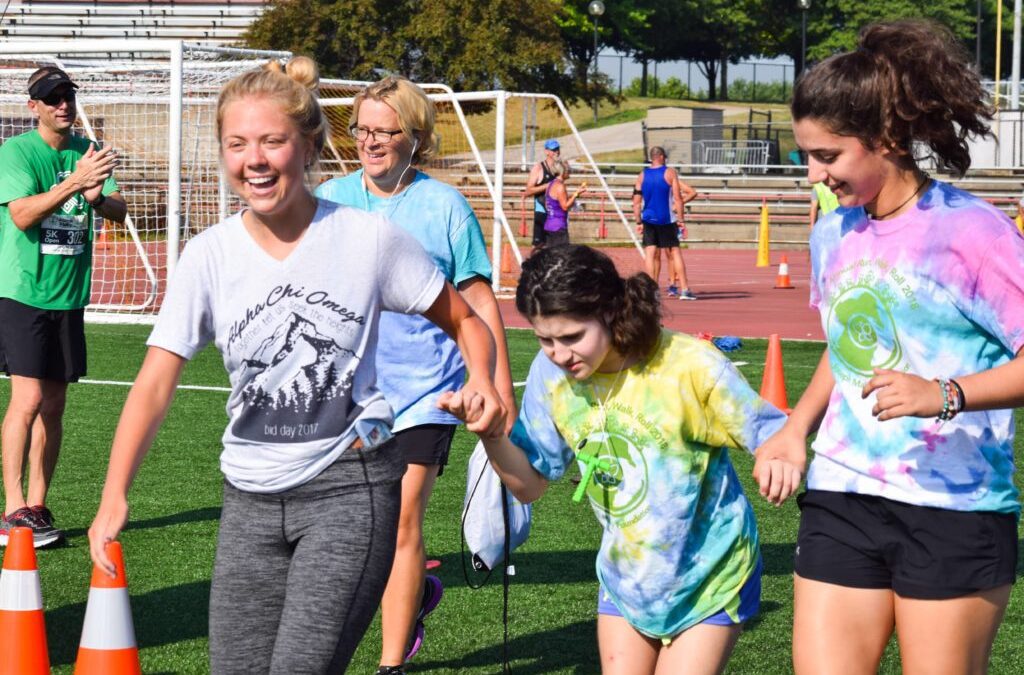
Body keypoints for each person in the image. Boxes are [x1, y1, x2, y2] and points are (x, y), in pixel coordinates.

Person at [87, 57, 505, 674]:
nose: (253, 159)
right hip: (248, 497)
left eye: (272, 141)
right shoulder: (208, 255)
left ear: (308, 147)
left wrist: (481, 382)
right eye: (237, 143)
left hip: (351, 487)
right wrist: (114, 493)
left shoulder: (368, 239)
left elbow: (467, 317)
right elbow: (154, 381)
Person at [756, 19, 1024, 675]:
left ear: (884, 139)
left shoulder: (973, 233)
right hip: (842, 493)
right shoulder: (833, 233)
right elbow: (844, 347)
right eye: (805, 156)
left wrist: (945, 394)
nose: (813, 175)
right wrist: (796, 428)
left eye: (828, 156)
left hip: (953, 509)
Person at [439, 244, 798, 675]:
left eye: (572, 337)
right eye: (545, 339)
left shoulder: (688, 365)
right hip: (626, 579)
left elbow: (778, 436)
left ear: (612, 312)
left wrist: (778, 457)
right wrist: (492, 436)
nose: (558, 354)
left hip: (710, 574)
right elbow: (530, 485)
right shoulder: (551, 375)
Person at [314, 75, 516, 674]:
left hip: (429, 390)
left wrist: (497, 385)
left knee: (401, 518)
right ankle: (416, 594)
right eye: (362, 129)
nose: (370, 142)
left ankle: (390, 664)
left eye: (385, 131)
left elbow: (479, 302)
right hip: (351, 398)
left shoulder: (445, 206)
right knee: (359, 524)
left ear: (415, 136)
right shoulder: (330, 199)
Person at [0, 66, 127, 548]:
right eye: (51, 98)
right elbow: (22, 213)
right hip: (22, 292)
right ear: (33, 106)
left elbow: (119, 208)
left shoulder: (86, 152)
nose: (63, 105)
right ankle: (12, 510)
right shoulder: (16, 152)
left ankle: (36, 506)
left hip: (69, 296)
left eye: (67, 95)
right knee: (28, 399)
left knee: (54, 404)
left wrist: (97, 198)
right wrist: (75, 184)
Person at [632, 146, 697, 300]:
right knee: (675, 252)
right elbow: (678, 198)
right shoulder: (669, 173)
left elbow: (636, 202)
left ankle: (651, 290)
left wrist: (638, 221)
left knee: (650, 253)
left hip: (648, 218)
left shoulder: (642, 175)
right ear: (661, 156)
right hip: (666, 219)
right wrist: (681, 220)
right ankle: (685, 290)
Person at [523, 139, 560, 247]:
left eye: (557, 149)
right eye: (553, 150)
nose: (556, 152)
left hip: (556, 214)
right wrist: (548, 186)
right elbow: (528, 191)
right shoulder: (538, 168)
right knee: (539, 247)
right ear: (547, 151)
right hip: (542, 212)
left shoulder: (559, 168)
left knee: (557, 247)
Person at [541, 160, 586, 247]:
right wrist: (576, 194)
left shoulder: (551, 184)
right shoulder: (560, 186)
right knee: (561, 255)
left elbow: (551, 204)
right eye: (567, 170)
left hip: (549, 225)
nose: (569, 171)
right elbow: (565, 206)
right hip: (558, 227)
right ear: (562, 172)